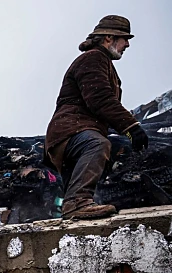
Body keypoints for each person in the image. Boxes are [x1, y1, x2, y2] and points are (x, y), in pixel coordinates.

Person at [44, 15, 148, 220]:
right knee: (97, 144)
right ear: (109, 38)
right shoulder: (93, 58)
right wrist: (132, 127)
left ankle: (77, 206)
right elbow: (100, 99)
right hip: (71, 131)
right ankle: (77, 203)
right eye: (124, 38)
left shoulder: (102, 62)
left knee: (106, 147)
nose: (127, 44)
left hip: (72, 131)